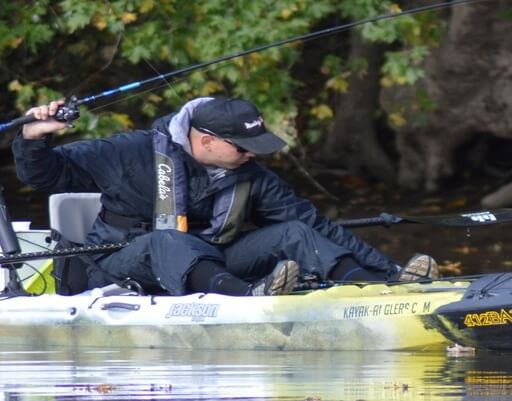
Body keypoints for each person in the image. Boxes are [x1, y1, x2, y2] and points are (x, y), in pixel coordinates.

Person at [13, 97, 439, 296]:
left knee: (293, 230)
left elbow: (316, 227)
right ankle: (244, 298)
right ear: (205, 139)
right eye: (240, 146)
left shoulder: (250, 173)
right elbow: (43, 175)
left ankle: (380, 287)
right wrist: (32, 136)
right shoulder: (128, 152)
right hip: (118, 262)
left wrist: (390, 269)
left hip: (211, 257)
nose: (250, 154)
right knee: (169, 241)